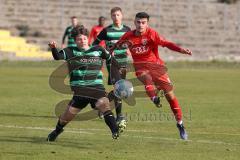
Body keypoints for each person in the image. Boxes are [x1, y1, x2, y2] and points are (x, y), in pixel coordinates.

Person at [112, 12, 192, 140]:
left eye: (143, 22)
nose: (140, 25)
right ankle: (154, 97)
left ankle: (180, 124)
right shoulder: (128, 36)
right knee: (145, 77)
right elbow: (117, 45)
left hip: (157, 67)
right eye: (138, 22)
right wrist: (109, 51)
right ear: (134, 22)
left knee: (171, 96)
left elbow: (166, 44)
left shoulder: (152, 34)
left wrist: (181, 50)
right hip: (141, 68)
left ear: (147, 23)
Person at [47, 26, 122, 141]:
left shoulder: (98, 50)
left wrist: (118, 69)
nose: (82, 41)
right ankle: (56, 132)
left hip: (96, 88)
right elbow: (58, 56)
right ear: (75, 40)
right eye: (79, 39)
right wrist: (53, 48)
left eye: (84, 39)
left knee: (103, 104)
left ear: (88, 39)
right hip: (80, 90)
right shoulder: (70, 51)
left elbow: (110, 59)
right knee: (66, 117)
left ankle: (114, 130)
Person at [92, 7, 131, 128]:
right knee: (120, 88)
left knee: (120, 90)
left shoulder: (127, 30)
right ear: (111, 16)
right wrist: (105, 51)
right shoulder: (106, 30)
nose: (116, 17)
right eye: (113, 15)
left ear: (122, 16)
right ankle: (119, 116)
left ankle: (101, 105)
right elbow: (94, 44)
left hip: (124, 63)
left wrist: (129, 49)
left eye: (118, 15)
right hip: (112, 63)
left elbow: (131, 43)